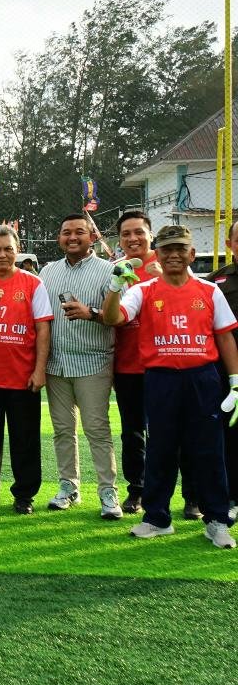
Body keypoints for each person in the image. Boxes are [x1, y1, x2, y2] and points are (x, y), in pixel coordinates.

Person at [102, 225, 237, 548]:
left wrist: (235, 382)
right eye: (167, 249)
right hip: (161, 380)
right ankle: (157, 518)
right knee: (161, 449)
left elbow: (224, 335)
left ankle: (217, 519)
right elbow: (113, 318)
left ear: (192, 253)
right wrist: (114, 286)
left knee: (208, 450)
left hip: (203, 379)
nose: (174, 255)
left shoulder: (209, 291)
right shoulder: (144, 291)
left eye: (180, 249)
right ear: (158, 255)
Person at [113, 211, 198, 517]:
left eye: (139, 232)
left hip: (168, 366)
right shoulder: (115, 269)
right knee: (132, 433)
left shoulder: (169, 265)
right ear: (119, 238)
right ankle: (137, 491)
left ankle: (192, 496)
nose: (133, 239)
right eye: (126, 234)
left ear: (150, 235)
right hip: (127, 366)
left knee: (180, 432)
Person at [38, 214, 121, 519]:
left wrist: (91, 312)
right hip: (56, 364)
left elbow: (117, 317)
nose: (72, 237)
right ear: (59, 237)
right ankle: (68, 486)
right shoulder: (48, 272)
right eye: (66, 233)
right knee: (62, 430)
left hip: (93, 362)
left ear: (91, 237)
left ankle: (108, 492)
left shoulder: (108, 271)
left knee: (97, 430)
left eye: (79, 233)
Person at [0, 225, 53, 514]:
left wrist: (39, 370)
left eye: (8, 249)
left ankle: (25, 494)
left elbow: (43, 328)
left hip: (22, 377)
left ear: (17, 250)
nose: (2, 254)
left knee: (25, 439)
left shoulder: (32, 283)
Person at [203, 218, 238, 522]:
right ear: (229, 245)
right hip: (228, 373)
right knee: (228, 438)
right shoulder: (216, 282)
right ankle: (231, 497)